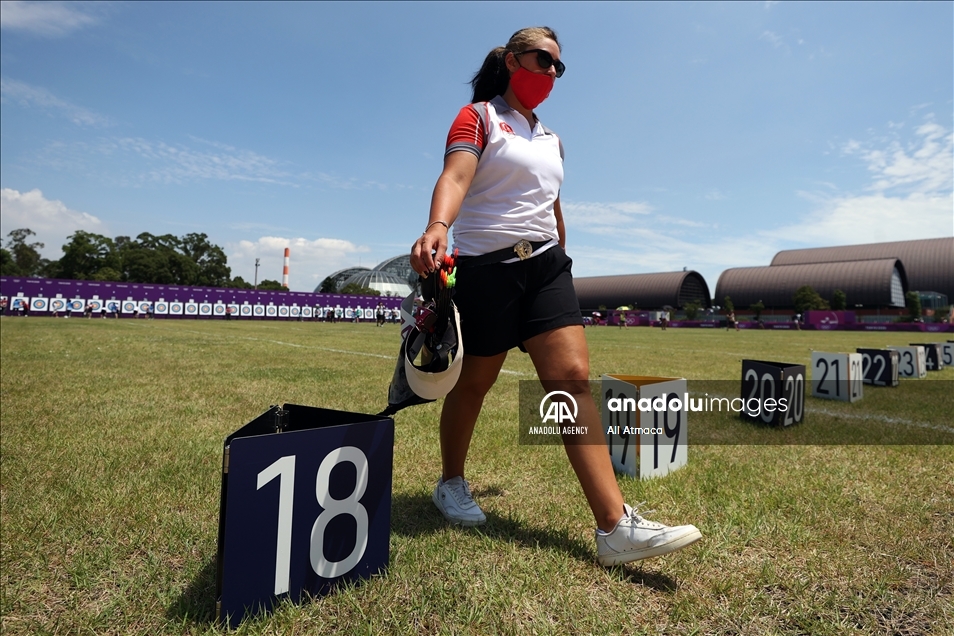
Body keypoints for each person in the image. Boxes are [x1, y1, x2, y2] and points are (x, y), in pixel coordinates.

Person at [409, 26, 700, 567]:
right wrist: (437, 225)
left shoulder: (552, 139)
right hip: (487, 269)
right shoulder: (478, 117)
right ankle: (450, 482)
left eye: (558, 67)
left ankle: (614, 527)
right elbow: (455, 176)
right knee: (474, 384)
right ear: (512, 60)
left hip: (545, 267)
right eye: (543, 60)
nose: (551, 73)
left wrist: (561, 256)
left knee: (572, 382)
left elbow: (551, 203)